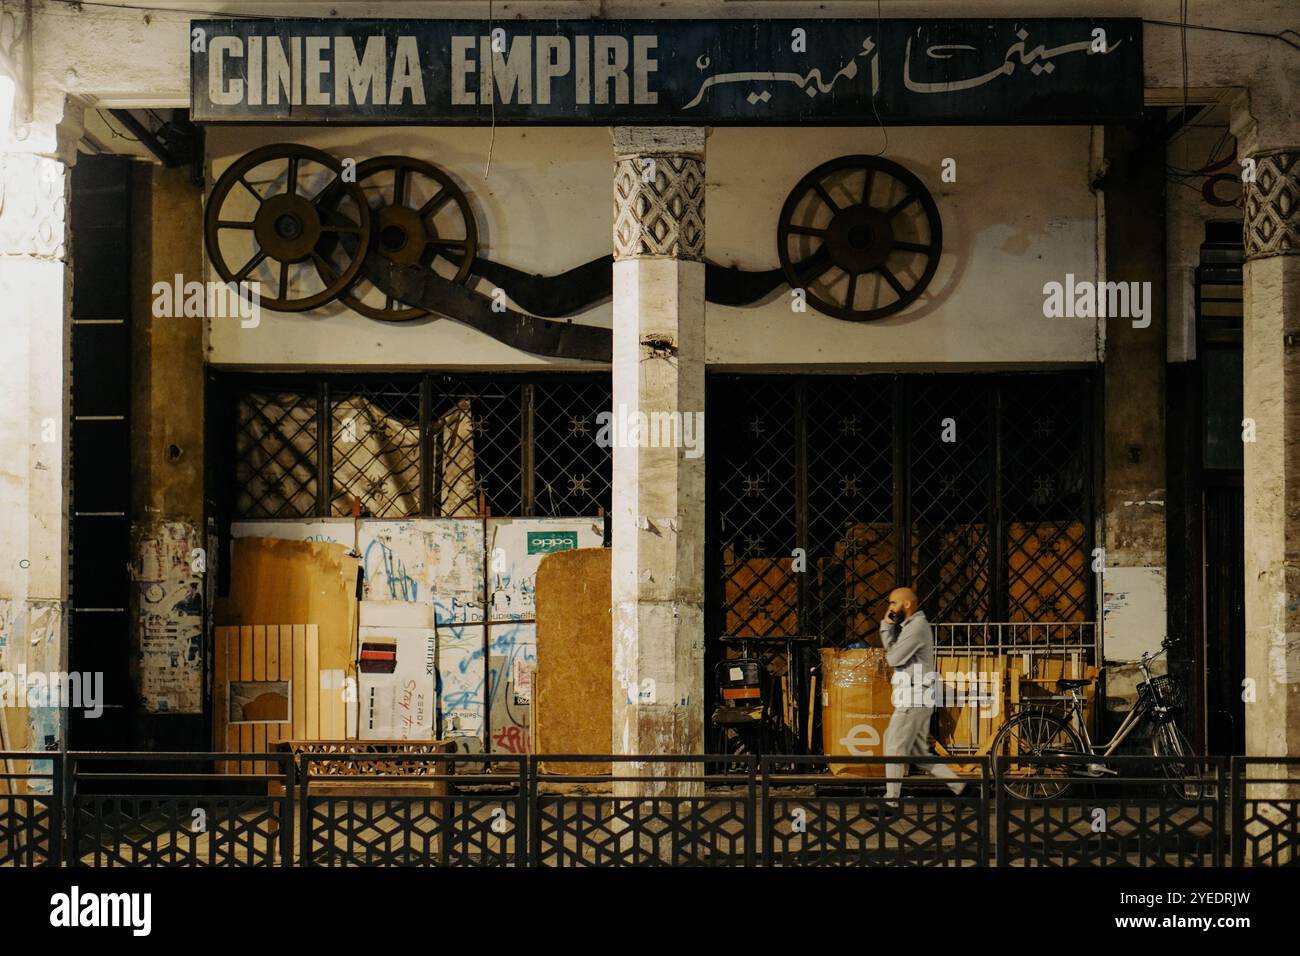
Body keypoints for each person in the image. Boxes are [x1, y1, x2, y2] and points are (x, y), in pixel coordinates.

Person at [879, 586, 966, 807]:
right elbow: (893, 652)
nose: (890, 608)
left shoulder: (916, 628)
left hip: (914, 696)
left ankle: (891, 802)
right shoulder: (910, 627)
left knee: (894, 746)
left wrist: (886, 626)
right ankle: (963, 789)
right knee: (916, 751)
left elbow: (893, 658)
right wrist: (887, 627)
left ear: (906, 604)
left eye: (893, 603)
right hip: (914, 695)